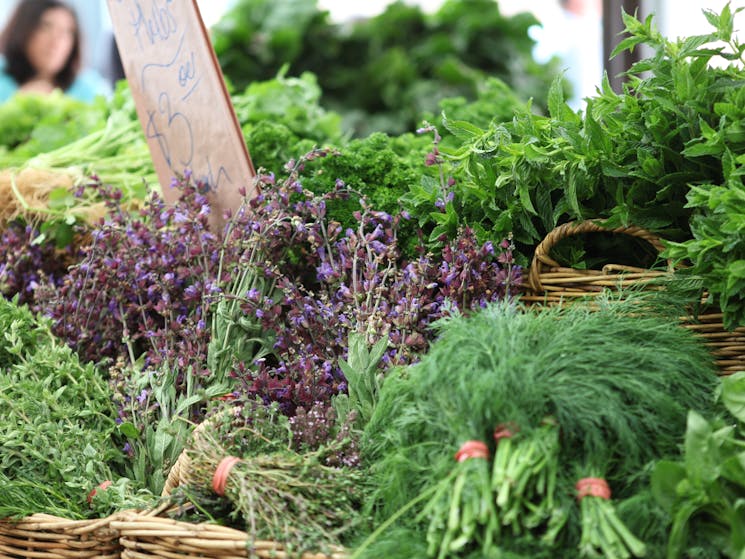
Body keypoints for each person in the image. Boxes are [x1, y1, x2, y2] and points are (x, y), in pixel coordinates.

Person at [0, 0, 112, 103]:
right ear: (23, 29)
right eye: (46, 27)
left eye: (67, 32)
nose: (56, 41)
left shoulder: (90, 89)